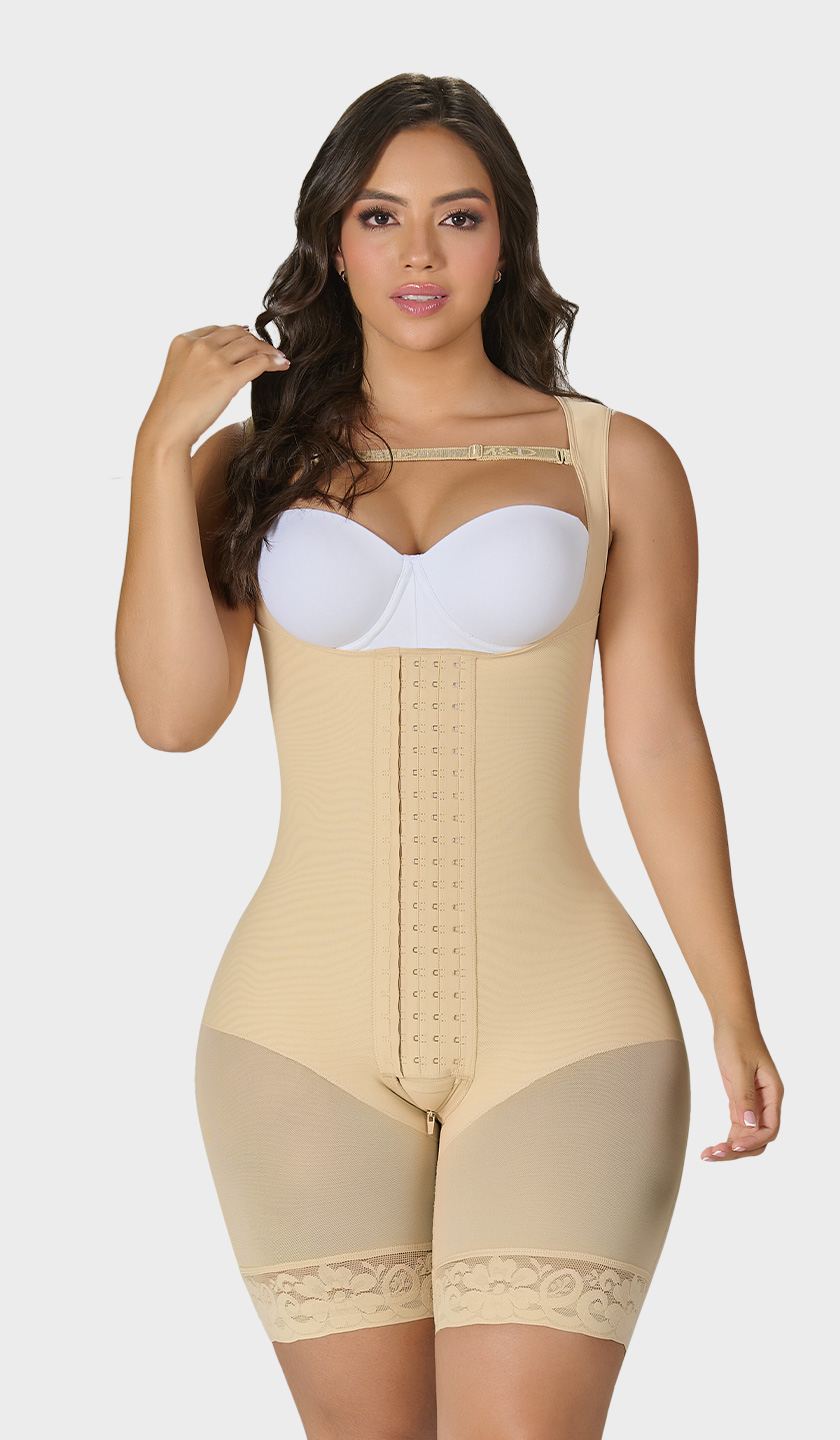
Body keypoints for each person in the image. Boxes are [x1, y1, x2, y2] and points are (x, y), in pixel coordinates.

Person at [116, 72, 784, 1440]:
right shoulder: (246, 465)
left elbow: (658, 737)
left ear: (507, 239)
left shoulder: (617, 461)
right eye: (380, 215)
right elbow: (174, 717)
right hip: (294, 1034)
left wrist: (734, 1006)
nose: (419, 252)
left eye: (459, 216)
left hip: (571, 1023)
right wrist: (155, 446)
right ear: (334, 239)